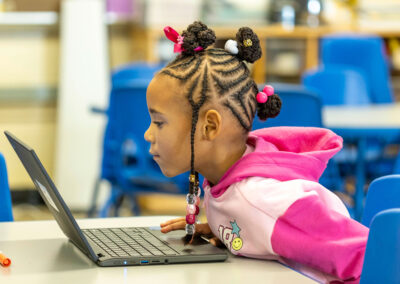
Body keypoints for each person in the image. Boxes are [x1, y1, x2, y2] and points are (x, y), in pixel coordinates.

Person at [144, 21, 368, 283]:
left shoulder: (268, 202)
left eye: (159, 122)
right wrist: (230, 232)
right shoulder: (225, 176)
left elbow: (368, 254)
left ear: (210, 126)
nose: (148, 134)